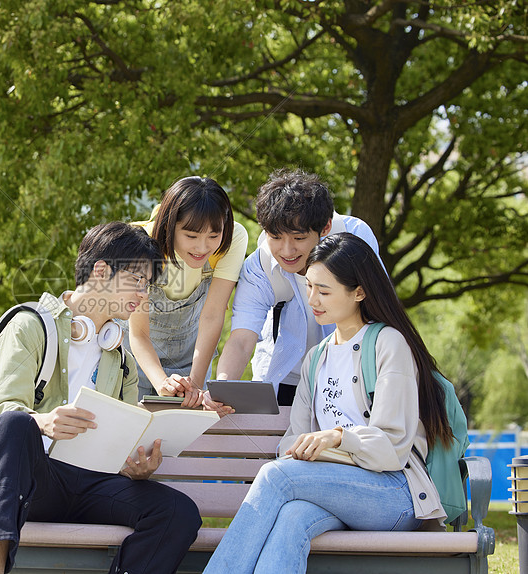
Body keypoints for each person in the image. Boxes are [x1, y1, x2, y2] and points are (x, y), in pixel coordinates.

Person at [203, 233, 452, 574]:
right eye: (309, 287)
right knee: (291, 518)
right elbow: (292, 441)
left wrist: (336, 438)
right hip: (333, 488)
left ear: (359, 292)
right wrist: (308, 450)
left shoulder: (387, 344)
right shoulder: (315, 359)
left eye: (324, 291)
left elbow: (391, 448)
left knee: (275, 477)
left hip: (393, 494)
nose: (312, 300)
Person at [0, 222, 202, 574]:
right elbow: (2, 413)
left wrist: (137, 466)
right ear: (100, 271)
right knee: (15, 424)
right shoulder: (30, 325)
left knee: (178, 512)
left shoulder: (121, 355)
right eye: (137, 280)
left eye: (148, 285)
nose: (144, 294)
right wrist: (44, 422)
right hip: (36, 481)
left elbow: (122, 434)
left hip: (93, 482)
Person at [214, 168, 379, 407]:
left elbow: (377, 311)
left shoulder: (355, 238)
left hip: (350, 375)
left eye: (299, 238)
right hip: (283, 378)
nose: (287, 251)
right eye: (276, 237)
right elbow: (241, 340)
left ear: (325, 228)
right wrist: (224, 390)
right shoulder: (259, 267)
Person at [125, 176, 248, 405]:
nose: (203, 248)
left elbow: (212, 315)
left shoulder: (233, 239)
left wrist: (195, 386)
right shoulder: (139, 241)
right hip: (136, 358)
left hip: (194, 355)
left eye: (213, 236)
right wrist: (162, 383)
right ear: (169, 225)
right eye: (191, 236)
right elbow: (138, 333)